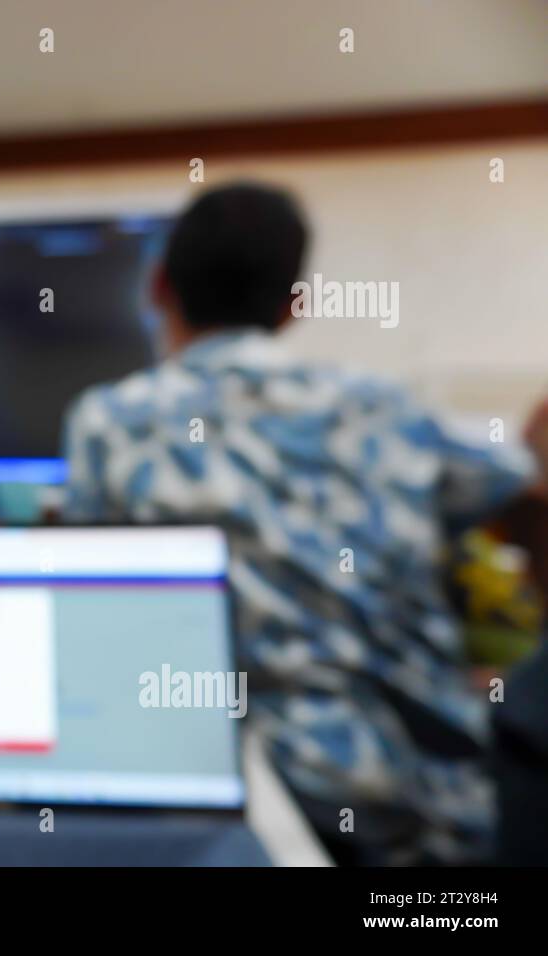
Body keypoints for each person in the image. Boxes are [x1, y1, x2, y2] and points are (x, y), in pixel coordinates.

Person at [63, 182, 542, 865]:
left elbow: (97, 615)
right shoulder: (382, 408)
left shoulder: (108, 424)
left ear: (158, 288)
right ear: (296, 305)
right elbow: (527, 482)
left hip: (222, 803)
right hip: (420, 810)